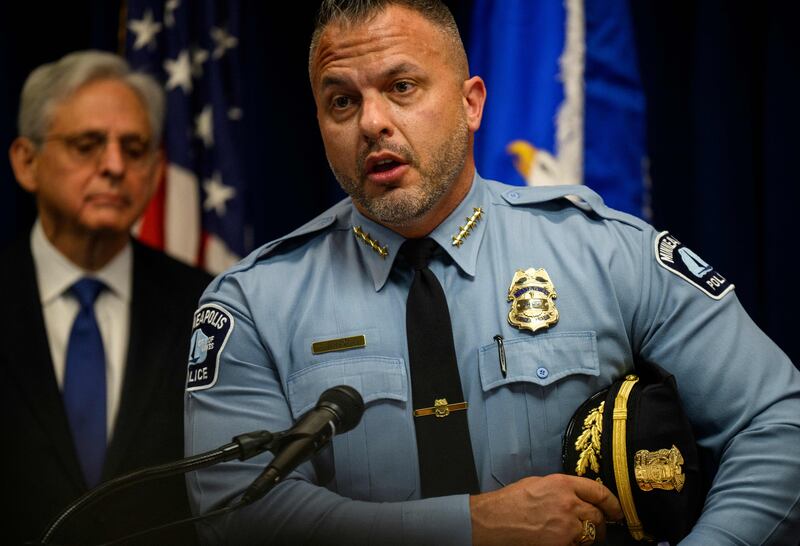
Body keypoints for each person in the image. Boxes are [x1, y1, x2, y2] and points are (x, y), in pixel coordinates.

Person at [184, 1, 800, 545]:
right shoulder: (253, 303)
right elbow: (238, 513)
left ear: (471, 103)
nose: (371, 122)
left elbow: (777, 423)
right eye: (341, 100)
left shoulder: (606, 254)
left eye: (401, 87)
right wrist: (475, 527)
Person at [1, 50, 211, 545]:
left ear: (157, 171)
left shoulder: (208, 306)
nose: (115, 166)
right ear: (27, 163)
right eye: (88, 145)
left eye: (135, 148)